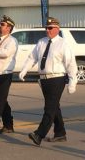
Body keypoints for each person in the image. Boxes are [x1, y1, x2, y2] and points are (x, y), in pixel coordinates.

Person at [19, 17, 77, 146]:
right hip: (44, 79)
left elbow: (71, 64)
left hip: (57, 78)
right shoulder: (41, 42)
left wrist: (73, 81)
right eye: (46, 28)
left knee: (49, 108)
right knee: (54, 106)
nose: (47, 30)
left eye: (50, 28)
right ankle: (60, 133)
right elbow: (32, 58)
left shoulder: (63, 44)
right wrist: (24, 70)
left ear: (57, 29)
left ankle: (39, 134)